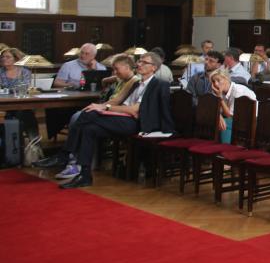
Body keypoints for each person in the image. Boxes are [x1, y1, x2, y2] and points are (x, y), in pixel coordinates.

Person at [55, 52, 175, 189]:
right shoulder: (136, 83)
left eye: (144, 62)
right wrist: (103, 106)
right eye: (139, 61)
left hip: (138, 124)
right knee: (88, 129)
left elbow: (134, 110)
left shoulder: (158, 84)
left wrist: (106, 108)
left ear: (154, 67)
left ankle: (64, 154)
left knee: (89, 115)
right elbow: (119, 101)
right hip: (123, 118)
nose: (139, 64)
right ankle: (85, 175)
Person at [1, 48, 38, 156]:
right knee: (21, 115)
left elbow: (26, 87)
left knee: (27, 115)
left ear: (16, 59)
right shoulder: (0, 72)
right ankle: (14, 148)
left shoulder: (25, 72)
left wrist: (9, 89)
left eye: (7, 57)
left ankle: (34, 148)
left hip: (21, 104)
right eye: (3, 57)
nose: (4, 59)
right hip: (4, 106)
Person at [210, 69, 256, 144]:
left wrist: (220, 97)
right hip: (235, 120)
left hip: (249, 121)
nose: (215, 84)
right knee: (214, 120)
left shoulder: (237, 91)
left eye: (218, 80)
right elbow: (214, 108)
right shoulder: (219, 91)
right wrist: (219, 116)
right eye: (213, 81)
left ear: (226, 79)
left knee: (224, 122)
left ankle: (225, 148)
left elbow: (229, 115)